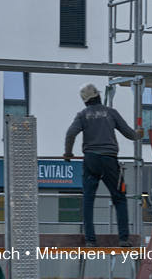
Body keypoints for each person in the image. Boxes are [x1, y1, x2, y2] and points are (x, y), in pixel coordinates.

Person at [63, 83, 143, 247]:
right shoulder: (110, 113)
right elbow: (129, 134)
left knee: (88, 199)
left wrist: (68, 153)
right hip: (109, 159)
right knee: (119, 198)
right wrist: (139, 134)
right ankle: (123, 239)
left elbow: (71, 133)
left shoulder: (82, 115)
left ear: (85, 101)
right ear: (98, 96)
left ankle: (90, 240)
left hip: (90, 159)